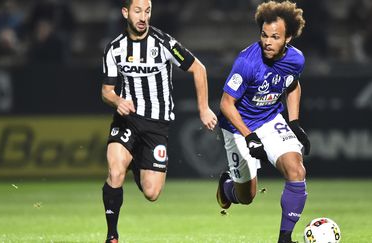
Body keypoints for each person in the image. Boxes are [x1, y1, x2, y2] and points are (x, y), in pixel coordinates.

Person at [100, 0, 217, 242]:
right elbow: (107, 91)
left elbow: (198, 68)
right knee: (115, 170)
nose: (143, 16)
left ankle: (137, 163)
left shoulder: (163, 43)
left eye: (147, 11)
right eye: (137, 11)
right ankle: (112, 235)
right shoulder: (115, 49)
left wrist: (203, 108)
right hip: (128, 120)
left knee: (151, 193)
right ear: (125, 13)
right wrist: (117, 101)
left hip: (157, 126)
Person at [216, 1, 309, 243]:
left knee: (296, 170)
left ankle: (285, 238)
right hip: (238, 127)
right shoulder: (247, 61)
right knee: (247, 197)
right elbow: (226, 104)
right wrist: (249, 136)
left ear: (288, 38)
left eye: (275, 37)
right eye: (264, 35)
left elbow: (293, 85)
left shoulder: (296, 60)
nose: (267, 41)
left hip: (270, 119)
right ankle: (227, 186)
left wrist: (295, 122)